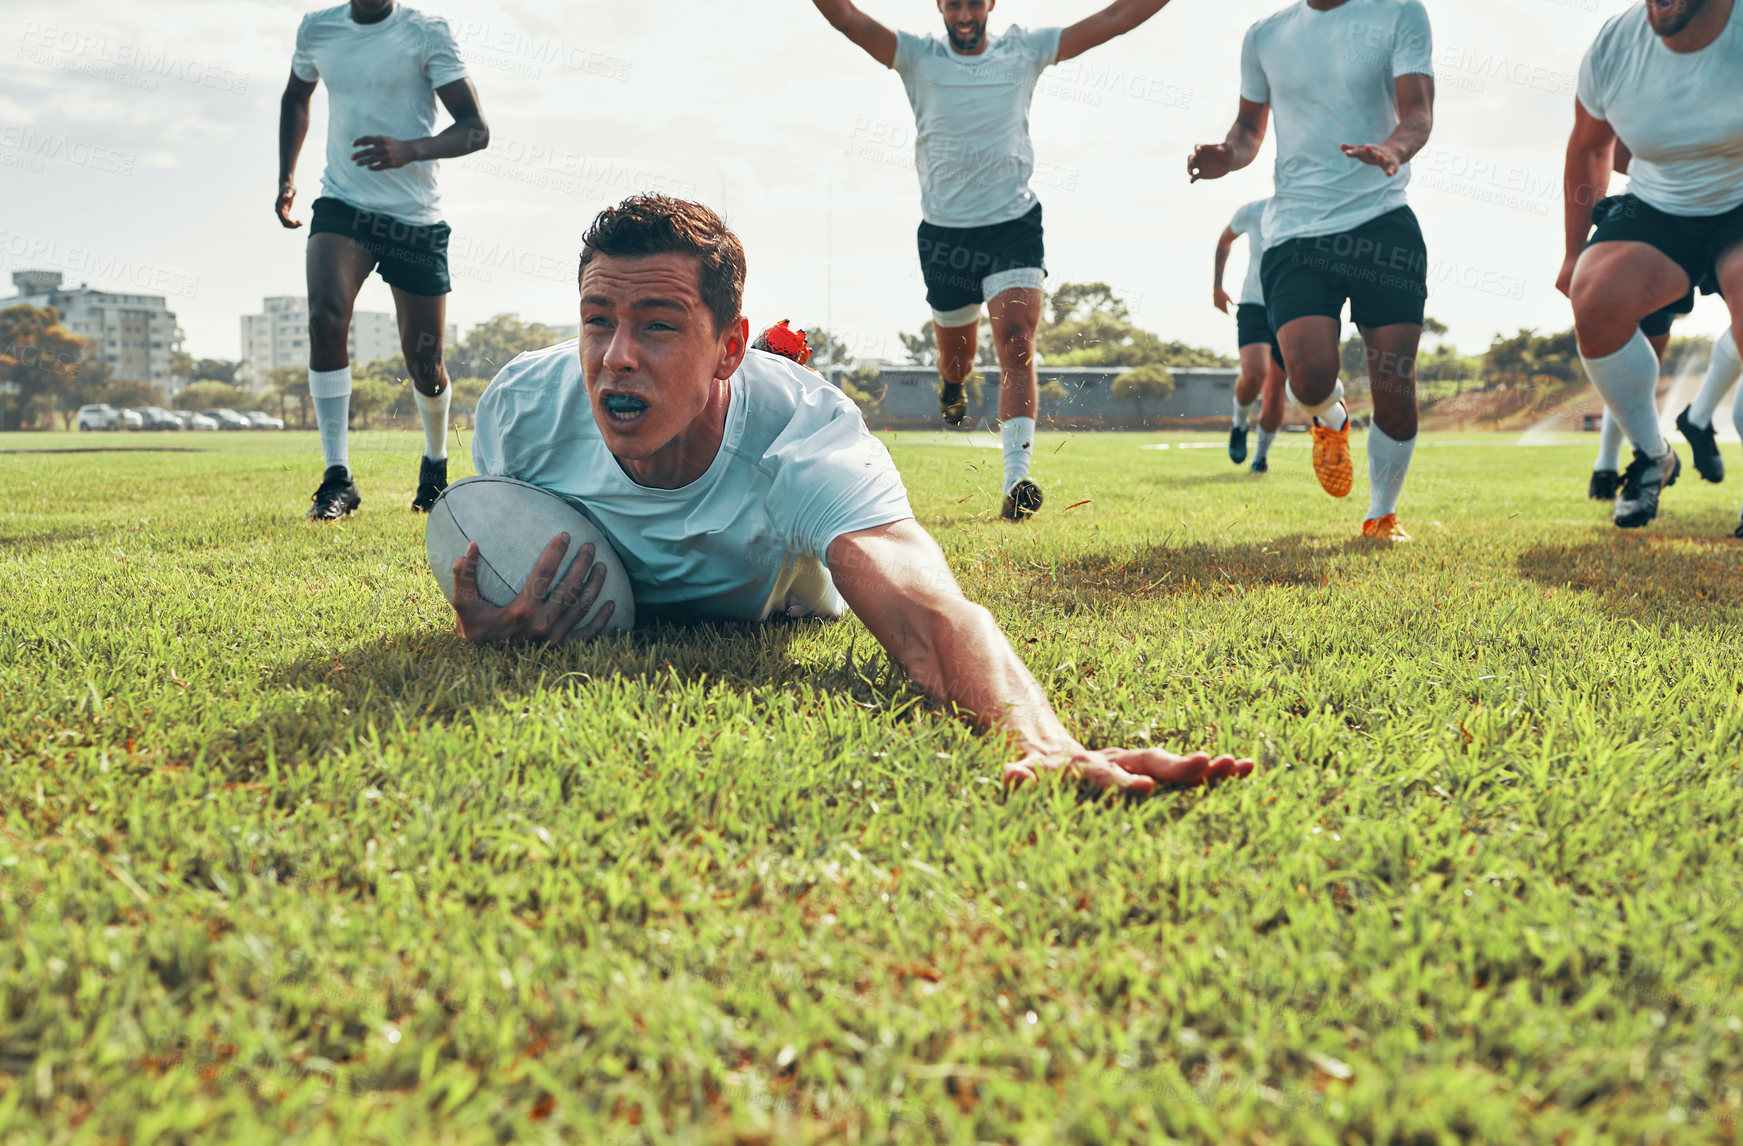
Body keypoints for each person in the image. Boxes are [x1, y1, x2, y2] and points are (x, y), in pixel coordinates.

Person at [449, 195, 1254, 792]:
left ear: (730, 349)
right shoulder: (523, 410)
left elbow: (929, 611)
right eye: (597, 321)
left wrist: (1040, 739)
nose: (616, 357)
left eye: (657, 325)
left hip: (777, 609)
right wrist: (490, 615)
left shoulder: (800, 441)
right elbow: (499, 546)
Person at [809, 0, 1183, 521]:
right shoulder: (915, 57)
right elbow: (848, 18)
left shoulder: (1024, 49)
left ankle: (1016, 479)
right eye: (954, 3)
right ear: (940, 7)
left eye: (973, 3)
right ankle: (953, 385)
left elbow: (1113, 19)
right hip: (944, 235)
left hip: (1013, 226)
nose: (965, 14)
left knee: (1016, 341)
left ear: (990, 5)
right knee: (958, 358)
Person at [1189, 0, 1436, 543]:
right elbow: (1249, 130)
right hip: (1297, 232)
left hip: (1381, 222)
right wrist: (1226, 156)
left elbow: (1417, 112)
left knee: (1394, 384)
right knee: (1308, 378)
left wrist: (1393, 149)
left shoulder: (1399, 13)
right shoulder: (1264, 34)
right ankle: (1331, 418)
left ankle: (1381, 514)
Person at [277, 0, 489, 520]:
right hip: (342, 206)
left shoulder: (426, 32)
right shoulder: (318, 28)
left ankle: (435, 463)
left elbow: (475, 129)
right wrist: (286, 176)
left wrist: (409, 150)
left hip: (415, 219)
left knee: (425, 364)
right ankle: (338, 478)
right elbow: (296, 98)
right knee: (325, 318)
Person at [1558, 0, 1743, 529]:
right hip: (1660, 204)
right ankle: (1652, 455)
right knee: (1593, 299)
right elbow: (1590, 147)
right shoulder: (1615, 45)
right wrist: (1573, 253)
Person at [1215, 198, 1290, 474]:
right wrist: (1217, 287)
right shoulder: (1252, 211)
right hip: (1253, 305)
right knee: (1255, 373)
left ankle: (1260, 456)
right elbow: (1225, 241)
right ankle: (1239, 422)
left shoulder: (1310, 211)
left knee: (1274, 391)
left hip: (1287, 309)